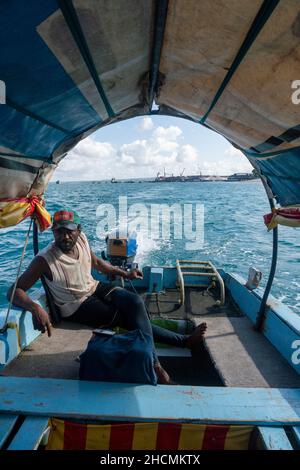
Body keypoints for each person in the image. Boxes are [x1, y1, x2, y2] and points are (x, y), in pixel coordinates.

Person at [7, 209, 207, 384]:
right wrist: (36, 307)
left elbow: (97, 263)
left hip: (94, 287)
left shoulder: (82, 241)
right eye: (59, 231)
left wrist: (124, 273)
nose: (65, 236)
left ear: (79, 230)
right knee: (126, 318)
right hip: (76, 304)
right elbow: (14, 291)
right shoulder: (44, 260)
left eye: (70, 230)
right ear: (53, 232)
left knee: (134, 301)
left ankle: (182, 343)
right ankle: (159, 362)